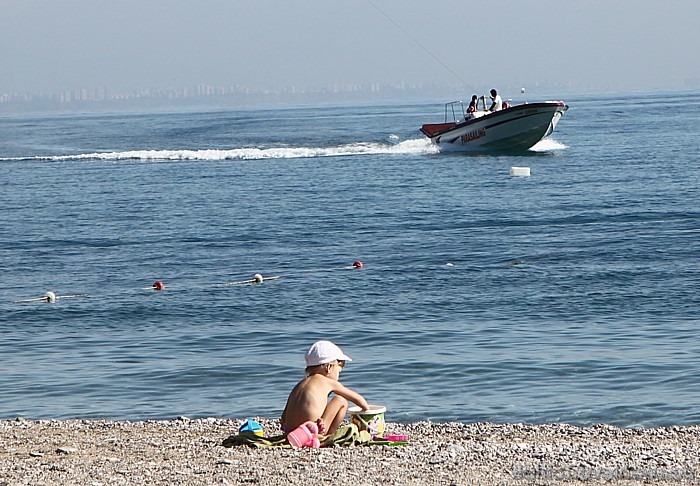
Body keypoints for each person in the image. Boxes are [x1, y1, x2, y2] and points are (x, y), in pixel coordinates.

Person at [281, 340, 370, 436]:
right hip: (312, 431)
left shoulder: (300, 385)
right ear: (329, 367)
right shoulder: (328, 382)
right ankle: (328, 436)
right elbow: (358, 399)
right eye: (338, 372)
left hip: (289, 431)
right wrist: (367, 409)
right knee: (341, 400)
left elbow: (283, 417)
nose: (338, 376)